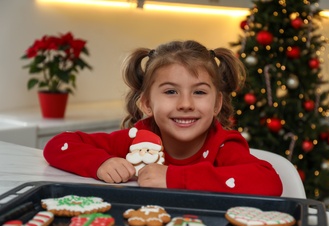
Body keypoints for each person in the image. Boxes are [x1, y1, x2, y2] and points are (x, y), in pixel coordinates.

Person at [43, 40, 283, 196]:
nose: (186, 104)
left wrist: (173, 177)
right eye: (170, 92)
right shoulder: (134, 140)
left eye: (199, 92)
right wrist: (101, 164)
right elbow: (59, 145)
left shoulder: (223, 145)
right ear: (147, 103)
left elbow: (269, 182)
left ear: (217, 103)